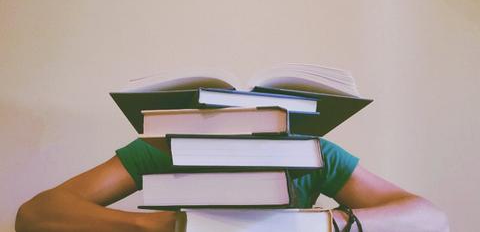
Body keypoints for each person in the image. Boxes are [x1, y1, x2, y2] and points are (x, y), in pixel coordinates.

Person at [15, 138, 449, 232]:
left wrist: (325, 225)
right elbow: (35, 215)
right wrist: (166, 226)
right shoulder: (165, 149)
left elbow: (431, 220)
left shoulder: (309, 154)